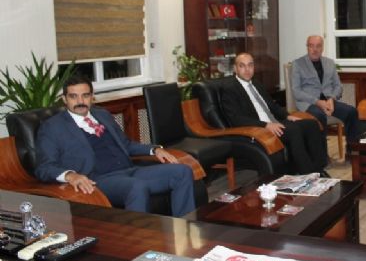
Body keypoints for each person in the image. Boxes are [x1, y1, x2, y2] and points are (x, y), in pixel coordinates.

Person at [35, 75, 195, 217]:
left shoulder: (102, 114)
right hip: (98, 180)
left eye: (85, 95)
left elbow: (126, 144)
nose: (80, 101)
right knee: (136, 187)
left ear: (92, 97)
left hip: (130, 171)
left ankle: (185, 230)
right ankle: (137, 239)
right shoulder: (53, 127)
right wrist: (71, 176)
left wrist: (154, 149)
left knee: (183, 171)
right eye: (73, 96)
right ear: (64, 99)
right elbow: (44, 167)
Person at [221, 53, 328, 175]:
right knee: (294, 130)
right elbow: (236, 119)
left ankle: (319, 169)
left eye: (250, 65)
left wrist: (287, 116)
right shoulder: (230, 89)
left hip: (274, 123)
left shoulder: (256, 84)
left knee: (311, 124)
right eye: (242, 66)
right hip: (258, 130)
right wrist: (266, 125)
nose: (247, 69)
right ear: (235, 69)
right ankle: (307, 173)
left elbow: (272, 106)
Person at [291, 35, 360, 144]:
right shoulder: (298, 64)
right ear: (307, 47)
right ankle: (322, 152)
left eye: (318, 46)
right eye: (311, 46)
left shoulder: (329, 63)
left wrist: (332, 99)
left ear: (322, 48)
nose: (315, 49)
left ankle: (352, 148)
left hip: (329, 102)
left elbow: (338, 86)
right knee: (320, 116)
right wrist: (317, 102)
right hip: (309, 104)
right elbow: (296, 91)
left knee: (352, 112)